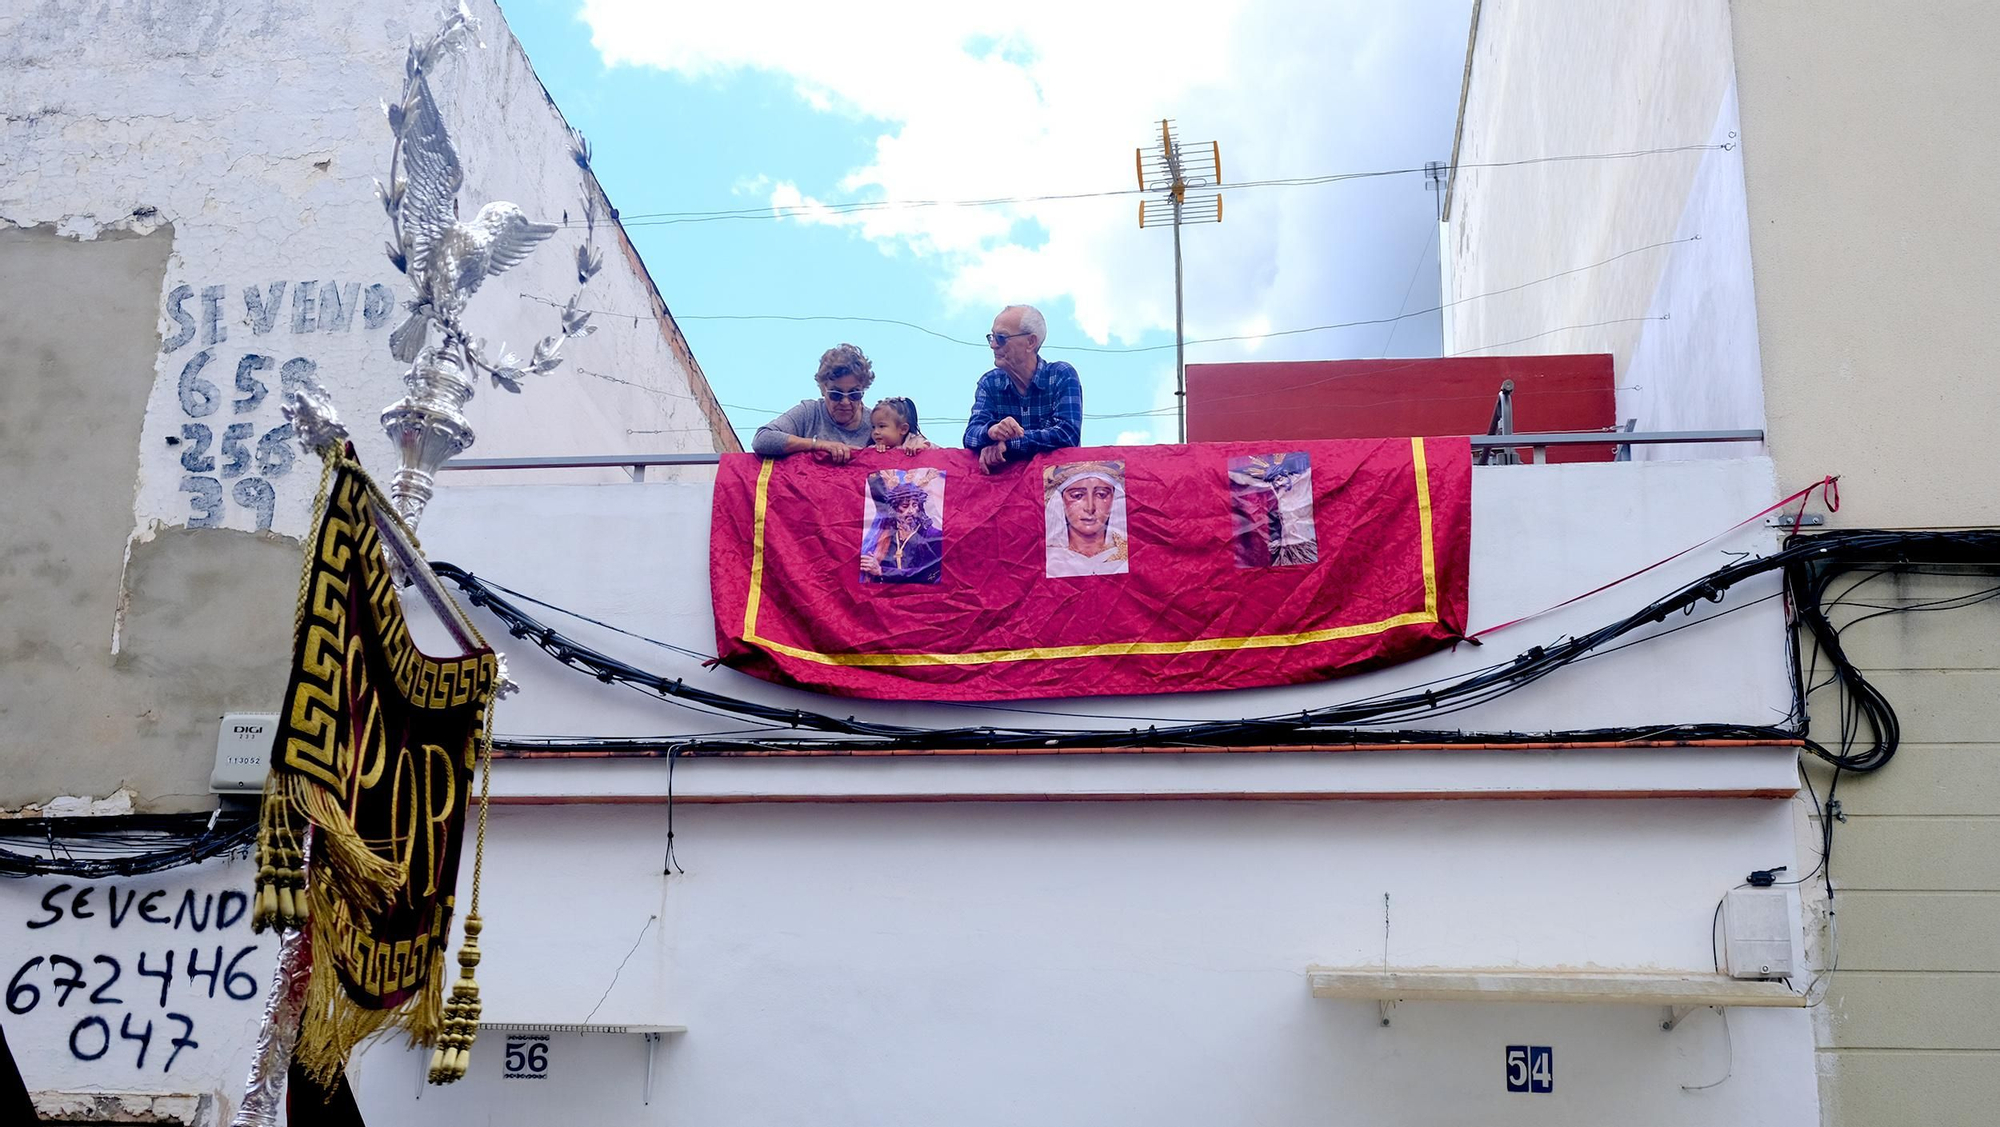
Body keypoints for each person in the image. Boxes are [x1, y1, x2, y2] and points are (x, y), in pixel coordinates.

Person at [962, 304, 1082, 474]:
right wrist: (991, 432)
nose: (993, 345)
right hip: (1007, 494)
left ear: (1030, 342)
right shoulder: (989, 382)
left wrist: (1006, 444)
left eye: (1001, 338)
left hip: (1055, 490)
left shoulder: (1061, 375)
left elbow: (1067, 435)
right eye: (992, 337)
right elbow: (970, 435)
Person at [753, 344, 890, 462]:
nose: (845, 402)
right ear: (823, 389)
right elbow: (762, 439)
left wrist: (911, 442)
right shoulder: (809, 413)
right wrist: (820, 445)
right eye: (836, 394)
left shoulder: (876, 423)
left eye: (854, 394)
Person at [1044, 461, 1128, 577]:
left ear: (1114, 499)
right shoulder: (1048, 559)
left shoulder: (1129, 557)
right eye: (1077, 495)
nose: (1090, 508)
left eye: (1101, 494)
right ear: (1060, 501)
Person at [861, 475, 943, 584]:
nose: (911, 511)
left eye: (914, 505)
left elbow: (926, 574)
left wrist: (882, 571)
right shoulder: (887, 537)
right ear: (894, 509)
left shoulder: (933, 536)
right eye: (905, 506)